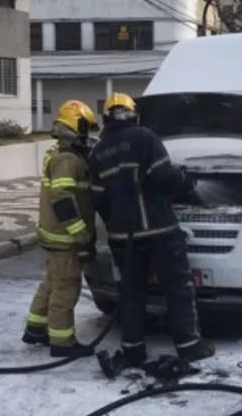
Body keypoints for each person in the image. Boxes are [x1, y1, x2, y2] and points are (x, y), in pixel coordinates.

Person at [87, 92, 215, 366]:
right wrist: (187, 183)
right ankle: (189, 345)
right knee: (178, 286)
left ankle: (133, 349)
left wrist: (116, 224)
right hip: (158, 229)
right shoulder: (145, 137)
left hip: (122, 237)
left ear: (106, 117)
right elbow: (164, 176)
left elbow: (97, 198)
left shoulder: (98, 151)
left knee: (131, 291)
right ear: (134, 114)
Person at [22, 100, 100, 358]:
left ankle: (35, 328)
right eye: (85, 129)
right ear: (75, 127)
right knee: (66, 288)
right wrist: (80, 232)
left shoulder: (58, 154)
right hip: (65, 237)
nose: (86, 135)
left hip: (53, 234)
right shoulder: (67, 159)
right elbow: (62, 198)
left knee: (52, 282)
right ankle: (62, 342)